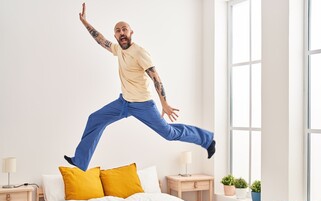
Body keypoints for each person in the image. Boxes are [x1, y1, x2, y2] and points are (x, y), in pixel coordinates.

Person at [64, 3, 216, 171]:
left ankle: (207, 139)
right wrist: (85, 22)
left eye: (124, 29)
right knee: (95, 119)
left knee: (169, 133)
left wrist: (164, 103)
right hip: (123, 103)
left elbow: (156, 77)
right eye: (118, 30)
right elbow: (101, 40)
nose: (121, 32)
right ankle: (80, 160)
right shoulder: (117, 49)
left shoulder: (140, 52)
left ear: (131, 33)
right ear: (115, 35)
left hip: (143, 104)